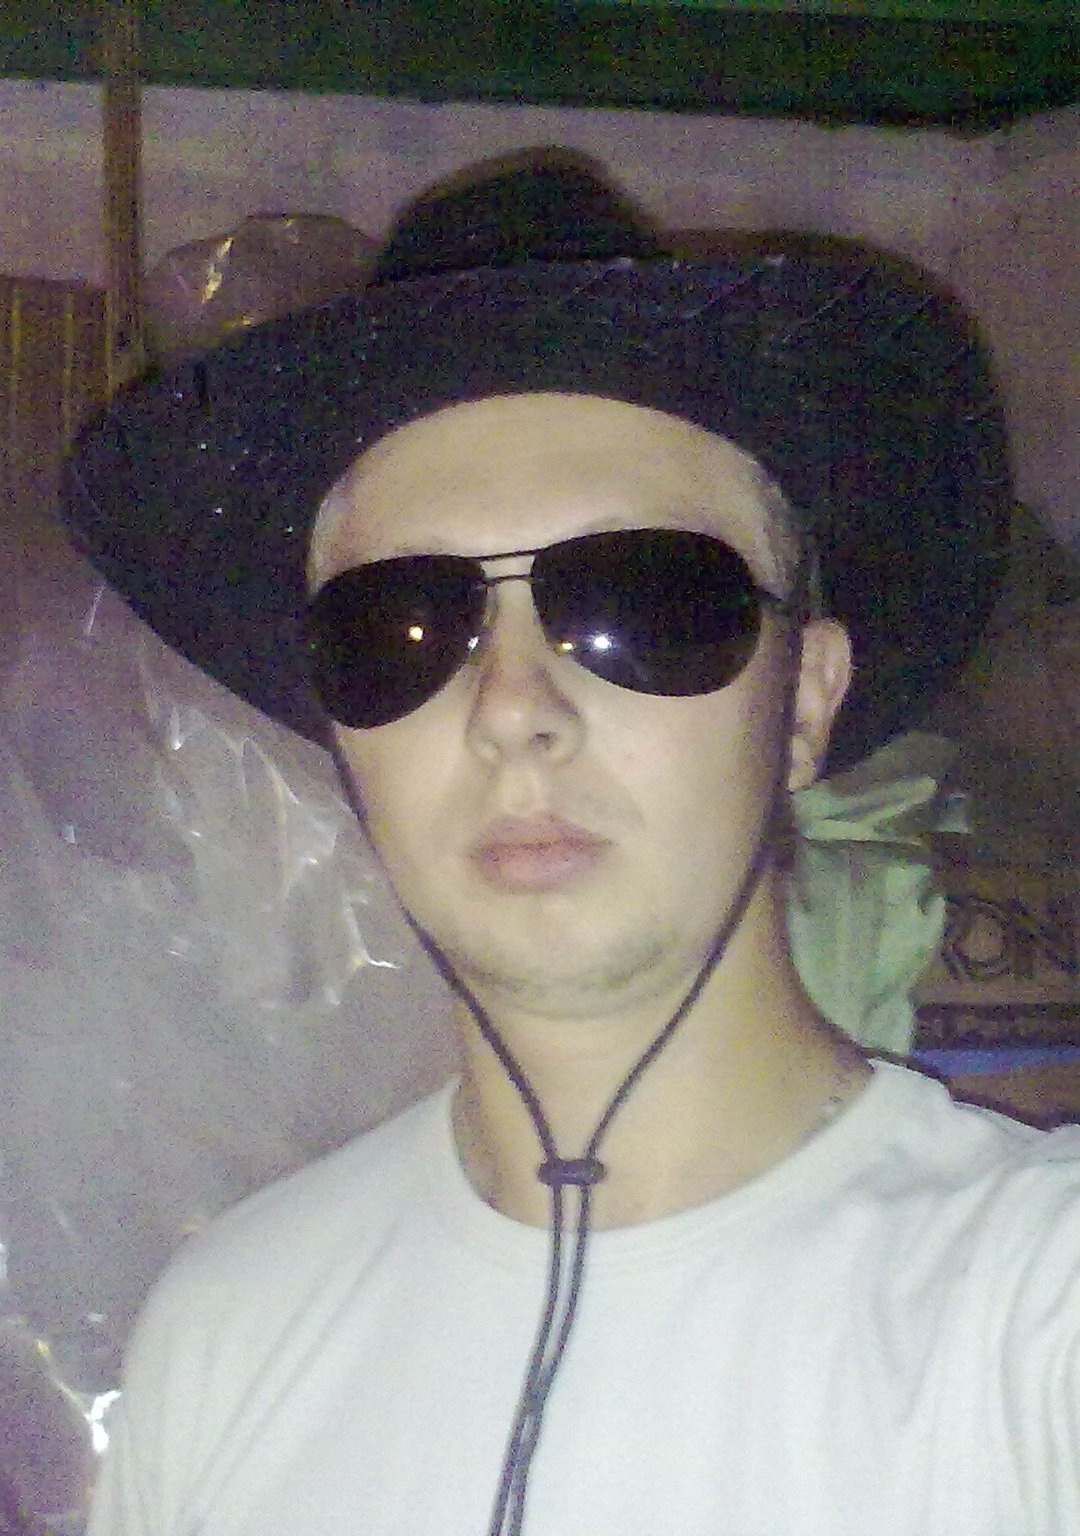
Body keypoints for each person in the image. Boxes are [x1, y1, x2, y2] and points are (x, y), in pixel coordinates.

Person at [64, 153, 1079, 1536]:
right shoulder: (226, 1337)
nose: (514, 710)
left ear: (806, 697)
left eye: (642, 603)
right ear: (345, 738)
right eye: (403, 628)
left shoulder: (1031, 1332)